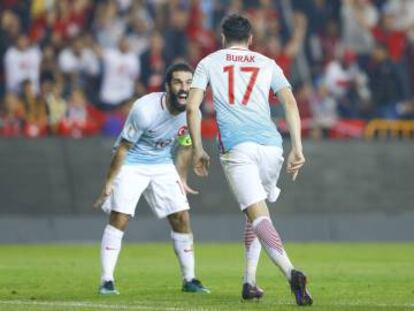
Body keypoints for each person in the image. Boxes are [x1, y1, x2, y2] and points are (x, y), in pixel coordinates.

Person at [186, 14, 313, 305]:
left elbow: (193, 108)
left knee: (258, 216)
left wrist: (197, 149)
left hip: (237, 147)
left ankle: (291, 272)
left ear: (222, 38)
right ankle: (249, 282)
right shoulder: (267, 63)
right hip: (272, 147)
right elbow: (290, 103)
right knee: (255, 211)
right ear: (251, 39)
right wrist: (297, 147)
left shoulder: (209, 62)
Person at [93, 62, 209, 295]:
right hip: (132, 163)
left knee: (181, 217)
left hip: (162, 163)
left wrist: (181, 177)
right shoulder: (145, 110)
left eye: (189, 83)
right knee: (121, 218)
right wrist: (109, 182)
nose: (184, 88)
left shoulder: (192, 112)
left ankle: (190, 279)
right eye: (178, 82)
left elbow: (185, 145)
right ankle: (107, 280)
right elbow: (123, 148)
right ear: (167, 86)